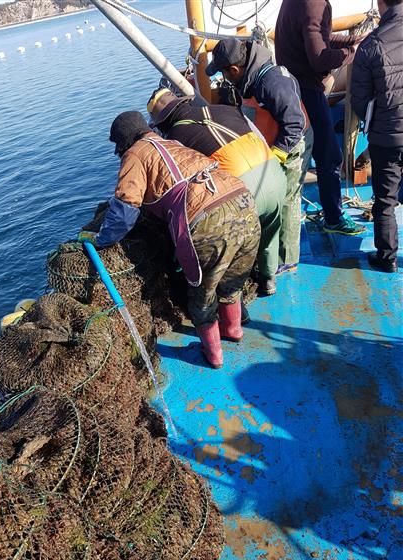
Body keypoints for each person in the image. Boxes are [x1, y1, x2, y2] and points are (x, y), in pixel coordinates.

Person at [81, 111, 260, 368]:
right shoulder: (172, 143)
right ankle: (233, 330)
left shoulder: (134, 155)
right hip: (243, 201)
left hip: (207, 219)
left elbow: (125, 210)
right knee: (232, 279)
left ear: (123, 142)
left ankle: (214, 355)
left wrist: (102, 240)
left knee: (203, 293)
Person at [147, 87, 286, 295]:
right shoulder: (224, 109)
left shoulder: (175, 137)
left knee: (233, 242)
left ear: (163, 122)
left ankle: (233, 294)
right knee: (270, 229)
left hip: (243, 191)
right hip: (274, 174)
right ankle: (269, 279)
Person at [206, 37, 313, 273]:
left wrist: (278, 156)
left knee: (285, 199)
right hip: (271, 141)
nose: (223, 79)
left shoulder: (272, 82)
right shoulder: (251, 78)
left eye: (224, 73)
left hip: (292, 144)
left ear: (234, 69)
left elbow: (295, 123)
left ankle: (286, 259)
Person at [275, 0, 366, 236]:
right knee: (330, 157)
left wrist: (350, 40)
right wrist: (350, 53)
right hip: (306, 89)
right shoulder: (313, 4)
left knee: (314, 153)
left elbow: (313, 38)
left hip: (292, 86)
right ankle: (334, 218)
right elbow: (319, 57)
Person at [351, 0, 402, 273]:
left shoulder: (371, 45)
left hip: (387, 136)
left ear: (380, 4)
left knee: (385, 200)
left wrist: (373, 124)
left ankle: (387, 258)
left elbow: (359, 101)